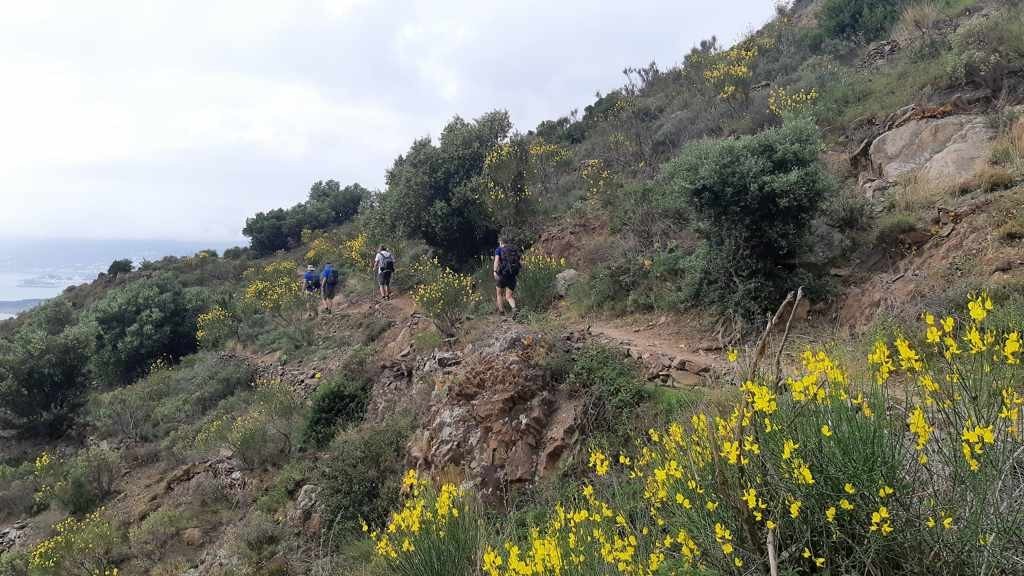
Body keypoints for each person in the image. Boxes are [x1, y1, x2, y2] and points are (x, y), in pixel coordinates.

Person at [493, 236, 521, 317]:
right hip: (512, 275)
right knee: (509, 296)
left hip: (502, 275)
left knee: (499, 294)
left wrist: (495, 271)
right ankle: (514, 309)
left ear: (501, 242)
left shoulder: (499, 250)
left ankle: (501, 312)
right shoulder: (513, 249)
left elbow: (496, 261)